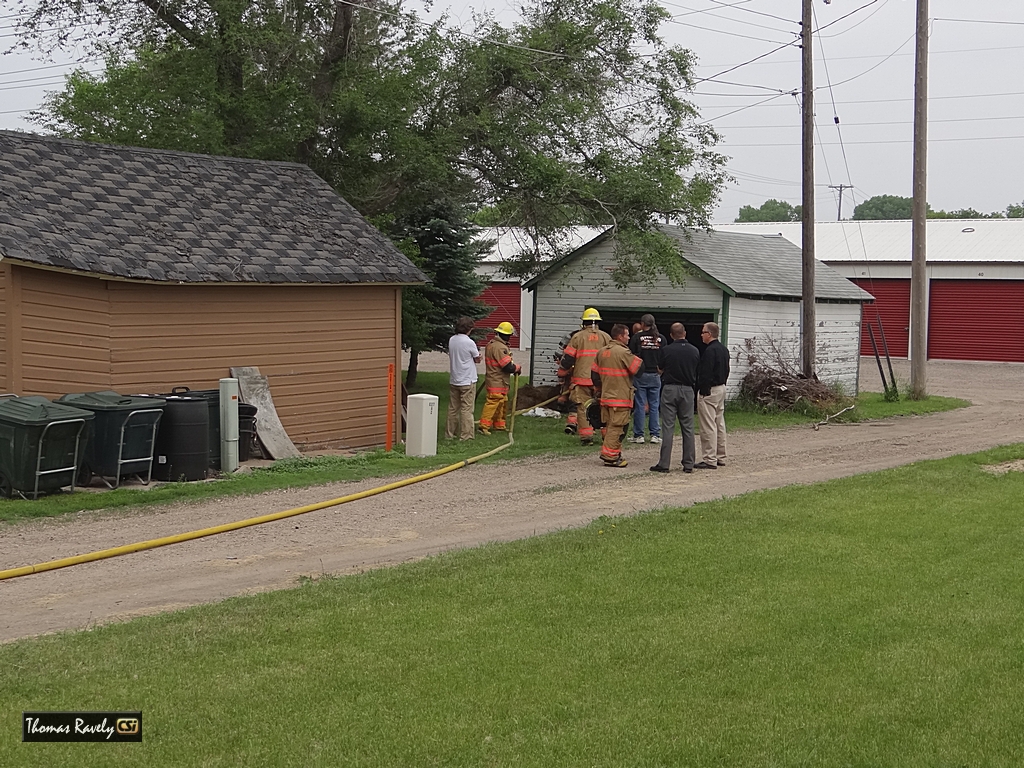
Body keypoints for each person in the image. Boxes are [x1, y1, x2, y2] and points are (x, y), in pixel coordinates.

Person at [649, 323, 700, 474]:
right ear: (685, 333)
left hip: (670, 388)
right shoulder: (694, 351)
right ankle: (689, 463)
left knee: (668, 427)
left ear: (671, 335)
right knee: (688, 428)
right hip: (687, 389)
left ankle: (664, 463)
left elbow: (660, 369)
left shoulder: (666, 350)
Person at [590, 323, 643, 467]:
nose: (629, 337)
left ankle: (614, 452)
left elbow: (594, 374)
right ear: (620, 336)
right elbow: (638, 370)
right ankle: (610, 456)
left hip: (606, 396)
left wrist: (598, 390)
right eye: (627, 335)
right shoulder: (623, 352)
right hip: (620, 398)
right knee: (618, 427)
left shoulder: (601, 352)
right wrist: (639, 354)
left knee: (609, 426)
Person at [557, 308, 611, 446]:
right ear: (597, 322)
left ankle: (587, 437)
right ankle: (606, 436)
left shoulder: (577, 337)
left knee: (582, 407)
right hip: (601, 380)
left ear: (584, 322)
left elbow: (568, 359)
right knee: (603, 406)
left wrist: (562, 371)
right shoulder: (606, 337)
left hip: (582, 380)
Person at [695, 321, 730, 469]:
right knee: (719, 423)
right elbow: (727, 369)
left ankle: (710, 458)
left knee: (708, 425)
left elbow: (705, 372)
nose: (701, 335)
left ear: (709, 334)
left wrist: (703, 389)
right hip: (721, 387)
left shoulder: (709, 351)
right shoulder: (723, 349)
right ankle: (720, 455)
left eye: (703, 332)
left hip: (710, 390)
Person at [628, 313, 667, 445]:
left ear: (642, 324)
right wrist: (661, 370)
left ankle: (639, 435)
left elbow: (631, 355)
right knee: (654, 405)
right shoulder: (661, 338)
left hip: (640, 375)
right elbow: (664, 356)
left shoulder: (637, 338)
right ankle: (655, 434)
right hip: (655, 375)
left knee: (639, 405)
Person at [479, 321, 521, 435]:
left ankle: (499, 425)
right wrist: (517, 368)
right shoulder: (500, 347)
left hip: (498, 380)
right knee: (493, 402)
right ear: (506, 335)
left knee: (502, 402)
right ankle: (483, 426)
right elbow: (507, 366)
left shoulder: (493, 344)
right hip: (497, 381)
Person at [445, 316, 482, 441]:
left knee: (453, 408)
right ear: (469, 329)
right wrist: (479, 357)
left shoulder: (452, 340)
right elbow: (477, 358)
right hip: (467, 379)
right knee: (467, 409)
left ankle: (450, 434)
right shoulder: (469, 342)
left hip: (455, 378)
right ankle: (466, 436)